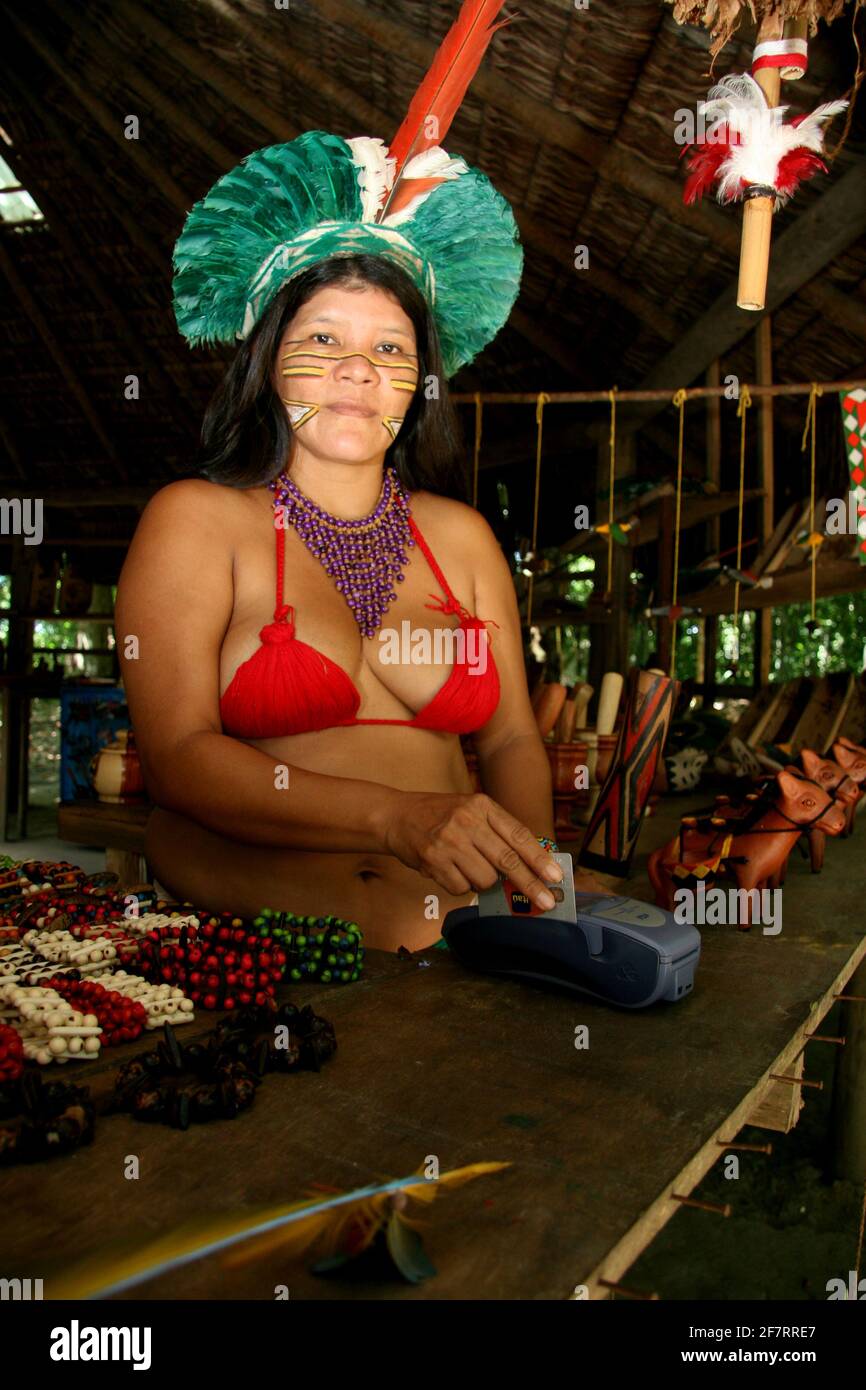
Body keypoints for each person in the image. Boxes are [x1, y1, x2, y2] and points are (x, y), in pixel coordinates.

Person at [115, 8, 599, 952]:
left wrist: (543, 889)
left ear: (418, 384)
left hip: (464, 935)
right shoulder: (198, 522)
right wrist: (398, 819)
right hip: (284, 943)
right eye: (322, 342)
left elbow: (506, 743)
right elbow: (177, 763)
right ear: (267, 367)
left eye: (388, 348)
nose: (356, 370)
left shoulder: (458, 537)